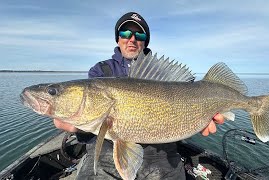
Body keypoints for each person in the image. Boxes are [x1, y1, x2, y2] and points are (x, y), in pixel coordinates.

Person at [53, 12, 224, 179]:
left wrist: (199, 119)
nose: (132, 39)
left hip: (162, 154)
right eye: (125, 33)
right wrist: (79, 126)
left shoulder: (160, 72)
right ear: (118, 38)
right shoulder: (100, 71)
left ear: (145, 41)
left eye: (139, 34)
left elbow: (189, 94)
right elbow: (94, 121)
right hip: (107, 149)